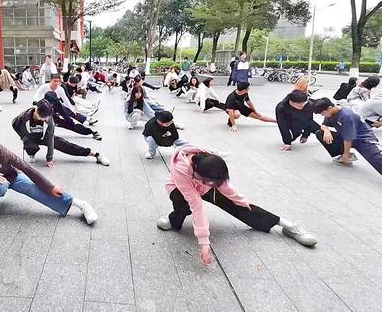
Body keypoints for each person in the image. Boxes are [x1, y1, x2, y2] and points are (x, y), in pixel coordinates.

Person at [156, 145, 317, 265]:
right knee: (184, 206)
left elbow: (225, 186)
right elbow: (196, 205)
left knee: (240, 205)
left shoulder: (207, 161)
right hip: (179, 188)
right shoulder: (181, 169)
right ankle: (173, 220)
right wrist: (204, 242)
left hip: (204, 184)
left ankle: (285, 224)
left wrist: (242, 202)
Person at [0, 131, 98, 222]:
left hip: (10, 175)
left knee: (35, 188)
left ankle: (80, 204)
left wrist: (50, 187)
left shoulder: (0, 150)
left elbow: (26, 167)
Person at [12, 100, 110, 167]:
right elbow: (14, 125)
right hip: (31, 138)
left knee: (67, 145)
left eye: (46, 118)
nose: (45, 120)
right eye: (43, 118)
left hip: (45, 137)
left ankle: (96, 155)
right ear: (36, 111)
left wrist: (49, 158)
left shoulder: (49, 119)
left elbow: (50, 140)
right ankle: (31, 153)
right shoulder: (22, 118)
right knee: (30, 145)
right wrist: (24, 137)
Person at [313, 98, 382, 174]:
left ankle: (346, 155)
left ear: (329, 108)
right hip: (347, 136)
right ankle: (341, 155)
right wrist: (326, 130)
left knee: (377, 159)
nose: (322, 115)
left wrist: (346, 154)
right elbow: (324, 125)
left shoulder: (346, 116)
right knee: (320, 133)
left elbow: (348, 139)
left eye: (322, 113)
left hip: (363, 139)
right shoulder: (331, 113)